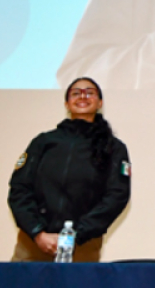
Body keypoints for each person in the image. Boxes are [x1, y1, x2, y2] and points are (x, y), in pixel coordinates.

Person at [8, 77, 131, 262]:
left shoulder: (114, 148)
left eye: (89, 92)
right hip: (33, 244)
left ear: (100, 102)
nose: (83, 96)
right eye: (75, 93)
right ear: (67, 103)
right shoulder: (43, 142)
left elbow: (116, 196)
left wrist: (76, 234)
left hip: (82, 246)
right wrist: (37, 232)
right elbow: (19, 189)